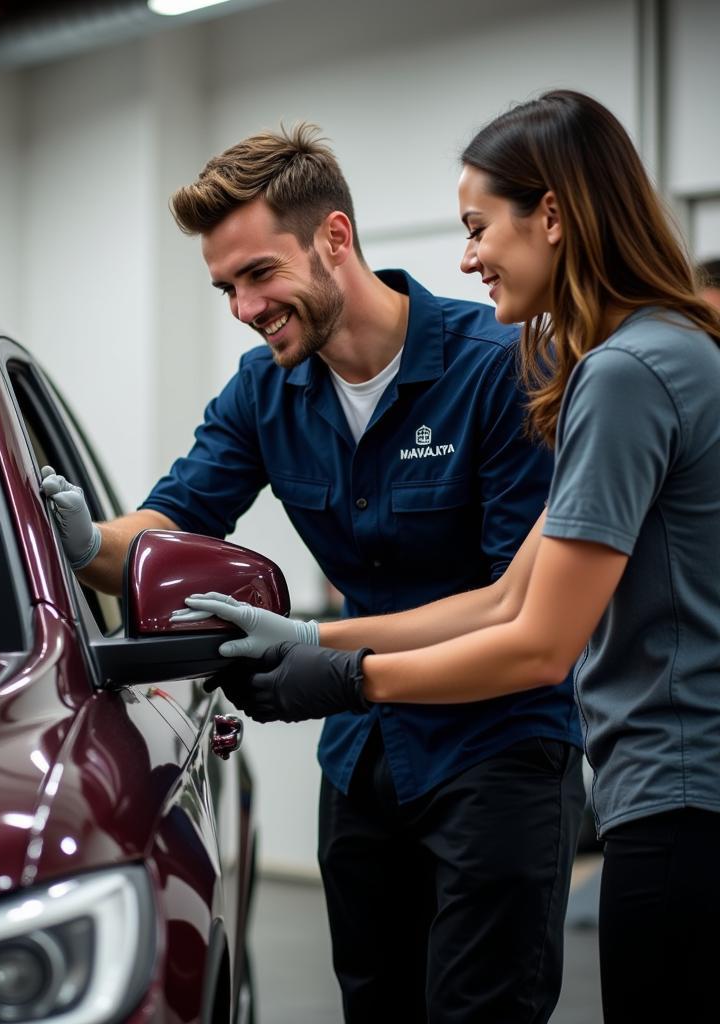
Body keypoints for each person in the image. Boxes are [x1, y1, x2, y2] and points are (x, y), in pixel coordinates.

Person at [192, 91, 720, 1023]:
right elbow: (504, 597)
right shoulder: (653, 355)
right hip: (663, 790)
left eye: (479, 227)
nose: (468, 253)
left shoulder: (616, 373)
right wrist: (312, 631)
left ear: (552, 215)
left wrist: (349, 678)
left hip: (678, 797)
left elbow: (536, 646)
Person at [41, 124, 583, 1024]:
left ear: (335, 238)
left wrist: (320, 649)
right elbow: (165, 530)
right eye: (226, 287)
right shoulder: (264, 392)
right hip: (365, 762)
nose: (246, 308)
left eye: (260, 275)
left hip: (499, 752)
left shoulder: (499, 369)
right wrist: (79, 537)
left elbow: (512, 605)